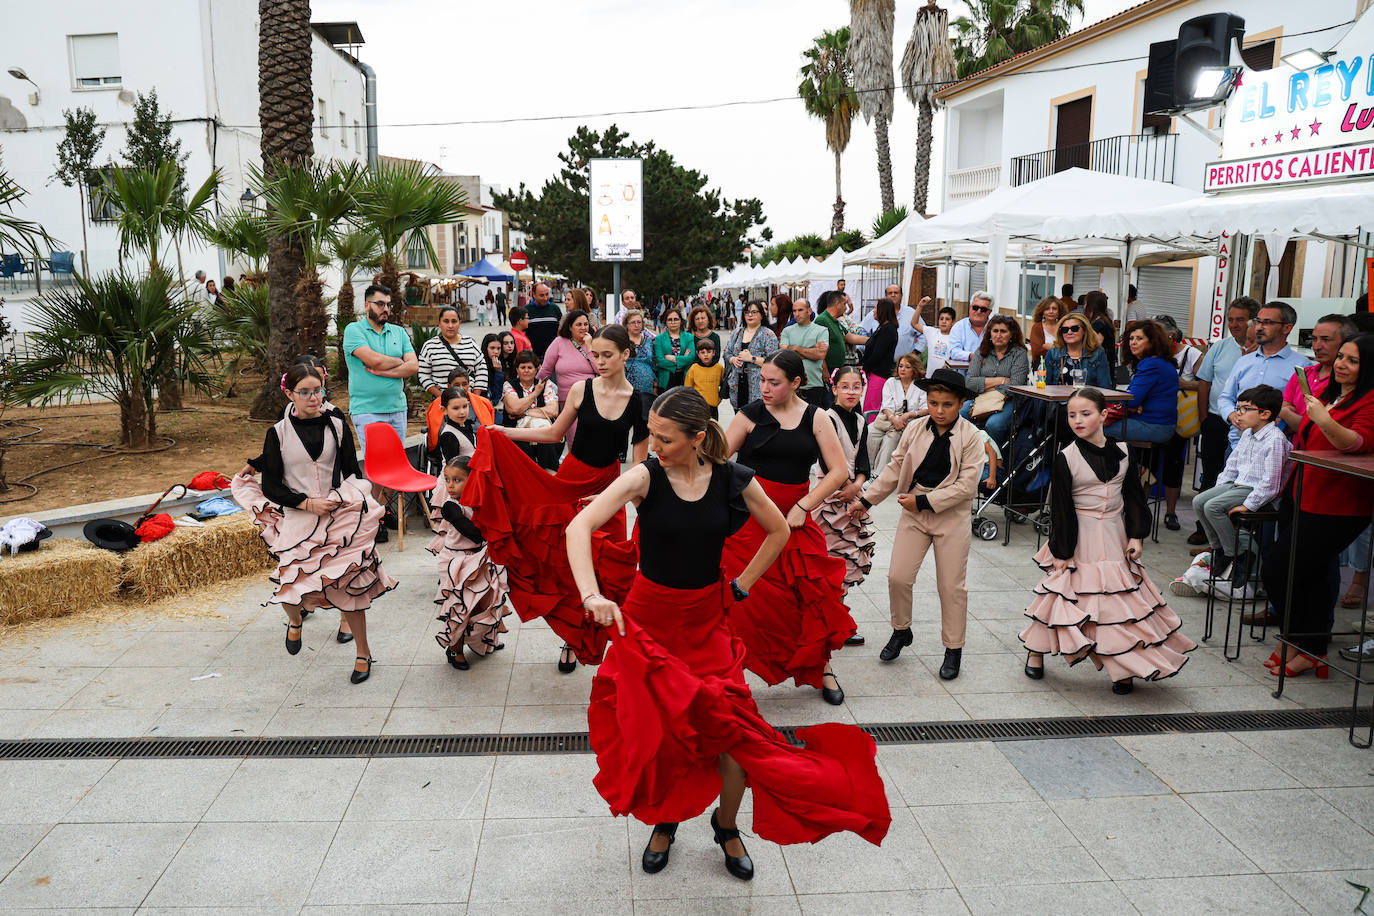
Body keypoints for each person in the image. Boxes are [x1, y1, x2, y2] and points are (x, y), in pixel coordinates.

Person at [568, 388, 891, 881]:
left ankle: (725, 824)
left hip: (707, 623)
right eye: (652, 435)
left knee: (733, 731)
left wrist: (742, 586)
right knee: (665, 733)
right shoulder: (644, 476)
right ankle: (666, 819)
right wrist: (592, 595)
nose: (654, 445)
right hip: (649, 622)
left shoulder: (731, 479)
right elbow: (580, 526)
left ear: (698, 437)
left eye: (665, 438)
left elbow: (779, 531)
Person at [466, 324, 649, 674]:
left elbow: (639, 467)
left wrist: (613, 496)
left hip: (608, 489)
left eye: (607, 355)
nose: (599, 361)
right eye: (595, 355)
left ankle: (585, 639)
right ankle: (570, 637)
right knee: (561, 563)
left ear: (626, 355)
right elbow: (553, 434)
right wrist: (504, 431)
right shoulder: (582, 389)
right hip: (569, 481)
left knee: (604, 568)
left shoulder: (640, 402)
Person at [1021, 388, 1196, 693]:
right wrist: (1061, 551)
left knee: (1119, 603)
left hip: (1114, 534)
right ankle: (1036, 651)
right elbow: (1060, 508)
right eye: (1072, 415)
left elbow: (1134, 497)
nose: (1077, 420)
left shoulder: (1125, 451)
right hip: (1079, 535)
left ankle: (1123, 665)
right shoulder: (1066, 457)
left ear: (1103, 415)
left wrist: (1137, 535)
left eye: (1085, 413)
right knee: (1062, 595)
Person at [231, 362, 396, 684]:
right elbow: (272, 486)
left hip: (337, 513)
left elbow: (351, 469)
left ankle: (363, 653)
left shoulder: (336, 422)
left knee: (350, 584)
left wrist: (352, 500)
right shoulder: (277, 432)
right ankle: (295, 622)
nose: (312, 397)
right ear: (289, 393)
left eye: (317, 390)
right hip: (298, 516)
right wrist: (306, 503)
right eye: (304, 392)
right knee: (290, 586)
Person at [722, 350, 855, 705]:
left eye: (773, 382)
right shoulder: (748, 416)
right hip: (750, 517)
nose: (763, 388)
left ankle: (821, 666)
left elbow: (839, 471)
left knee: (811, 595)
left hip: (795, 516)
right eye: (762, 380)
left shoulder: (817, 417)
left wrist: (804, 505)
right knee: (746, 600)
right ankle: (733, 671)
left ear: (796, 383)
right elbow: (715, 461)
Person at [851, 368, 985, 680]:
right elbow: (895, 466)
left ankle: (953, 649)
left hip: (950, 515)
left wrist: (923, 502)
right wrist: (867, 500)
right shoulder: (914, 429)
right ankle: (902, 631)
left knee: (951, 586)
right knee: (898, 576)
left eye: (947, 404)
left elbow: (967, 487)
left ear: (961, 403)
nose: (939, 410)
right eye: (934, 403)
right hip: (915, 510)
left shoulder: (972, 437)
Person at [1260, 335, 1374, 677]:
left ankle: (1304, 644)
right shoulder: (1333, 394)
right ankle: (1304, 643)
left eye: (1352, 360)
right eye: (1341, 357)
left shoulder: (1368, 400)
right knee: (1301, 573)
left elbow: (1357, 443)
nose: (1340, 364)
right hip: (1304, 491)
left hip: (1340, 503)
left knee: (1281, 569)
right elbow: (1308, 432)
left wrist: (1323, 417)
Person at [1180, 385, 1290, 600]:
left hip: (1257, 491)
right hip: (1239, 484)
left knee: (1213, 507)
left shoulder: (1275, 439)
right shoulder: (1248, 433)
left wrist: (1249, 504)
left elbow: (1271, 483)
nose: (1238, 414)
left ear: (1264, 414)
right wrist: (1217, 489)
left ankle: (1236, 554)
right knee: (1201, 501)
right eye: (1238, 408)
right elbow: (1232, 466)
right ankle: (1219, 549)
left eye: (1244, 409)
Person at [428, 456, 511, 669]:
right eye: (447, 479)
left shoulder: (480, 500)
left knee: (484, 601)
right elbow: (474, 533)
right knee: (461, 606)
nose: (450, 485)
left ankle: (483, 638)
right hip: (455, 561)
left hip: (478, 558)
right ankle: (454, 649)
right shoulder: (450, 506)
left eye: (457, 480)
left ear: (473, 480)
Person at [1191, 298, 1262, 544]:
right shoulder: (1220, 347)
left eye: (1240, 319)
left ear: (1254, 321)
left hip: (1252, 428)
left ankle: (1233, 536)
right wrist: (1204, 418)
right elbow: (1204, 382)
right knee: (1211, 474)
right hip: (1217, 420)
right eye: (1230, 319)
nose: (1234, 324)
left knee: (1239, 480)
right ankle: (1205, 529)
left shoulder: (1261, 355)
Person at [813, 367, 874, 644]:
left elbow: (864, 462)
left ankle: (837, 620)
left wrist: (857, 485)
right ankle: (821, 621)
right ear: (834, 388)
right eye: (845, 386)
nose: (851, 392)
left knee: (848, 562)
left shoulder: (862, 420)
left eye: (856, 387)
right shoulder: (826, 418)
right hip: (829, 497)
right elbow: (827, 461)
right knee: (829, 561)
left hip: (852, 497)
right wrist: (847, 486)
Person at [1217, 302, 1311, 447]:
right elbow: (1225, 398)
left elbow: (1305, 412)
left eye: (1267, 323)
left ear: (1287, 328)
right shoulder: (1244, 362)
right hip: (1237, 445)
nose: (1259, 327)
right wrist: (1232, 416)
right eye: (1258, 322)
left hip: (1273, 448)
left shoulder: (1301, 366)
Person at [342, 284, 418, 454]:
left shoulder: (398, 332)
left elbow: (413, 366)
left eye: (388, 305)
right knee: (378, 465)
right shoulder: (354, 330)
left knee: (397, 463)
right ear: (367, 305)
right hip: (367, 410)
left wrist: (385, 372)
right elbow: (373, 360)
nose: (386, 309)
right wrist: (399, 361)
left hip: (397, 408)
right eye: (380, 304)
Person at [1156, 316, 1203, 530]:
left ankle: (1171, 512)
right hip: (1156, 415)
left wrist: (1183, 383)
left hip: (1179, 417)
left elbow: (1205, 385)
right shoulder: (1155, 352)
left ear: (1170, 335)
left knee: (1174, 464)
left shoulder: (1192, 354)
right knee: (1147, 462)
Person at [1104, 321, 1179, 444]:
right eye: (1131, 338)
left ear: (1152, 342)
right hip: (1158, 424)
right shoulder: (1160, 362)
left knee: (1090, 427)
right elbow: (1133, 399)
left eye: (1139, 338)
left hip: (1153, 425)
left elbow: (1131, 400)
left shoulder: (1151, 364)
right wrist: (1132, 404)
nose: (1133, 342)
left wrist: (1132, 405)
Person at [1280, 313, 1358, 428]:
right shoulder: (1303, 373)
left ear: (1347, 342)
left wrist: (1287, 414)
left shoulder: (1348, 380)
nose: (1317, 346)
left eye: (1326, 340)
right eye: (1314, 339)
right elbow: (1284, 407)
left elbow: (1319, 429)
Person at [963, 314, 1030, 446]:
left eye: (1003, 331)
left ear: (1012, 334)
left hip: (1008, 400)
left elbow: (1016, 385)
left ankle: (995, 461)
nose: (998, 335)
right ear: (989, 333)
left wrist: (984, 384)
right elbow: (969, 383)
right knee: (959, 413)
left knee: (994, 424)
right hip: (980, 398)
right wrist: (1002, 380)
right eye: (995, 331)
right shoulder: (982, 352)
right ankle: (967, 452)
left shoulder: (1019, 353)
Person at [867, 353, 928, 472]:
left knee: (891, 439)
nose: (902, 369)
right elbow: (886, 406)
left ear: (915, 369)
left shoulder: (921, 384)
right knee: (869, 432)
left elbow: (926, 408)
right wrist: (893, 418)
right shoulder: (891, 382)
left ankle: (879, 475)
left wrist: (909, 415)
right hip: (887, 420)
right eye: (900, 366)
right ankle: (866, 470)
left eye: (907, 367)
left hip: (909, 424)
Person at [500, 351, 560, 471]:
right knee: (523, 453)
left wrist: (525, 412)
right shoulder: (509, 385)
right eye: (522, 367)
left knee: (547, 445)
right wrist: (536, 393)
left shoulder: (546, 384)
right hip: (517, 434)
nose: (526, 370)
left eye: (530, 367)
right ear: (517, 369)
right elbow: (513, 409)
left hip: (543, 433)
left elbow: (553, 411)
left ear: (536, 369)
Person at [418, 305, 485, 399]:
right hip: (441, 401)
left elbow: (482, 370)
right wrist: (442, 397)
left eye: (454, 321)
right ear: (439, 323)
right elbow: (423, 375)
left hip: (469, 400)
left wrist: (474, 397)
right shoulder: (429, 346)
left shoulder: (470, 343)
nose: (450, 325)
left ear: (459, 323)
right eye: (446, 321)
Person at [724, 301, 779, 410]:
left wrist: (752, 359)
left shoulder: (768, 334)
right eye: (747, 312)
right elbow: (727, 352)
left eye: (754, 312)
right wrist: (732, 359)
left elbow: (773, 361)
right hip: (737, 385)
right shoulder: (737, 332)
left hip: (758, 387)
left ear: (761, 315)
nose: (750, 315)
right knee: (740, 417)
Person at [779, 298, 830, 407]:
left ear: (809, 311)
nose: (796, 314)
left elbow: (820, 354)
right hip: (791, 386)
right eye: (794, 311)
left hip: (814, 385)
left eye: (800, 310)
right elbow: (784, 356)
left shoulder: (821, 330)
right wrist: (812, 350)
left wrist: (796, 348)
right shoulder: (787, 330)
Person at [815, 289, 866, 395]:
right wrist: (824, 370)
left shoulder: (835, 320)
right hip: (828, 369)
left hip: (836, 368)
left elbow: (850, 337)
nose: (846, 307)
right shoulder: (822, 320)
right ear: (837, 304)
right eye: (844, 304)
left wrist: (874, 340)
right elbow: (819, 348)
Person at [1042, 313, 1112, 388]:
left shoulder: (1097, 353)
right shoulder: (1053, 353)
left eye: (1074, 328)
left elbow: (1105, 386)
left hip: (1088, 398)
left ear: (1084, 330)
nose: (1069, 332)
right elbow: (1045, 385)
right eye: (1064, 330)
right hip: (1059, 399)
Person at [860, 299, 899, 412]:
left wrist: (865, 367)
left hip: (879, 374)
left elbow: (877, 354)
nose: (873, 311)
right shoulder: (882, 327)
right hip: (875, 373)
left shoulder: (888, 329)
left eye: (876, 308)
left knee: (872, 408)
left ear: (883, 310)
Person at [652, 306, 696, 390]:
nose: (673, 322)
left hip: (684, 378)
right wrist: (682, 360)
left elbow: (691, 358)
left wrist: (671, 358)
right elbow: (660, 361)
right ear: (666, 322)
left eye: (676, 319)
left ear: (681, 321)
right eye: (670, 319)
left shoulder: (689, 337)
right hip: (666, 379)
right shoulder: (659, 339)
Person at [433, 387, 477, 464]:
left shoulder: (467, 425)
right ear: (444, 410)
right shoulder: (449, 435)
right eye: (456, 408)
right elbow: (452, 467)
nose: (462, 412)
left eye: (464, 406)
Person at [1082, 291, 1118, 378]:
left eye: (1085, 303)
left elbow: (1093, 345)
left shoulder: (1099, 324)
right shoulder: (1105, 320)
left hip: (1101, 371)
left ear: (1090, 305)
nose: (1084, 306)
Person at [685, 340, 725, 419]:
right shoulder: (694, 368)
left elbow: (723, 384)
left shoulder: (719, 368)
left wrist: (720, 398)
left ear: (713, 353)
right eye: (702, 352)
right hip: (699, 406)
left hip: (713, 405)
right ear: (698, 354)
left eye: (709, 352)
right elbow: (688, 388)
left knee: (713, 428)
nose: (706, 355)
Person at [914, 304, 955, 373]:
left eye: (947, 319)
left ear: (953, 322)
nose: (944, 321)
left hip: (946, 379)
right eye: (941, 319)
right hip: (930, 377)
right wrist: (920, 306)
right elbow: (914, 323)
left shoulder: (955, 338)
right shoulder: (932, 332)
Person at [524, 283, 562, 357]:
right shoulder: (526, 310)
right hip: (533, 356)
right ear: (534, 295)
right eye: (542, 295)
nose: (545, 298)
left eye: (547, 294)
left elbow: (560, 330)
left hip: (553, 355)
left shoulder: (555, 308)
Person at [1027, 297, 1061, 369]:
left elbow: (1070, 348)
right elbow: (1036, 351)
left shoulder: (1064, 326)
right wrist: (1058, 347)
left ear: (1059, 311)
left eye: (1054, 308)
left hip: (1061, 366)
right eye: (1047, 309)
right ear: (1042, 311)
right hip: (1041, 367)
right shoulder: (1037, 327)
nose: (1051, 311)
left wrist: (1050, 347)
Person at [480, 333, 505, 410]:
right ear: (485, 348)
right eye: (492, 348)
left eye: (498, 348)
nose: (496, 352)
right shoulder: (480, 364)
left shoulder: (501, 363)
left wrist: (499, 372)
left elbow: (498, 395)